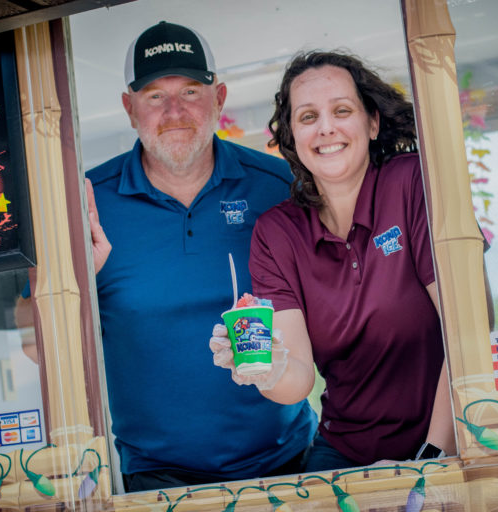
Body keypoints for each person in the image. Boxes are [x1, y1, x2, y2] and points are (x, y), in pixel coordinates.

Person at [85, 22, 317, 491]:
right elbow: (36, 343)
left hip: (289, 461)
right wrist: (74, 289)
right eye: (154, 96)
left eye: (191, 90)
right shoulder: (87, 203)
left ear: (219, 98)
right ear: (129, 108)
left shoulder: (278, 186)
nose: (175, 111)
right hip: (155, 478)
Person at [211, 51, 467, 471]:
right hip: (342, 455)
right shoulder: (277, 233)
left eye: (342, 110)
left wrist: (436, 455)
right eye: (307, 117)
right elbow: (298, 382)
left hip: (443, 440)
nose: (326, 127)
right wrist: (268, 370)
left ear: (372, 122)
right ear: (291, 137)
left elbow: (468, 325)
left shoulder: (415, 182)